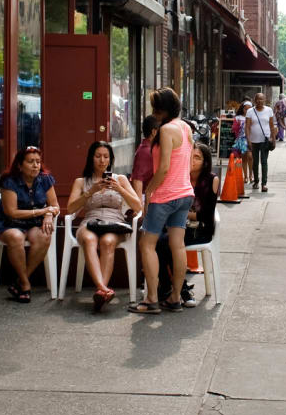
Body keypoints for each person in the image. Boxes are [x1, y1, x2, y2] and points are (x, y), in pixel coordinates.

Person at [132, 88, 194, 314]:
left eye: (155, 108)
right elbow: (186, 164)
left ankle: (151, 299)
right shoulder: (186, 127)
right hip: (185, 193)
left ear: (162, 110)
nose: (153, 113)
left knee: (147, 244)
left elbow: (164, 167)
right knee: (177, 245)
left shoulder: (166, 130)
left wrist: (149, 191)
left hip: (165, 195)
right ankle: (176, 297)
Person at [68, 141, 143, 312]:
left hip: (114, 223)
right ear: (91, 159)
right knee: (88, 239)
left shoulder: (121, 179)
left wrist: (119, 189)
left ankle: (102, 291)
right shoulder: (81, 182)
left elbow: (138, 207)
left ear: (110, 160)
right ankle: (103, 289)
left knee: (108, 242)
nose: (102, 160)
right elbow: (71, 208)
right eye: (98, 156)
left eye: (106, 157)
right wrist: (90, 191)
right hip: (90, 221)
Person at [0, 146, 60, 303]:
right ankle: (26, 284)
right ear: (20, 165)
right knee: (15, 237)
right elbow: (11, 212)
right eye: (30, 162)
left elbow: (55, 205)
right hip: (9, 223)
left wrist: (48, 214)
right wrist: (41, 212)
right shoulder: (9, 181)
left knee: (44, 236)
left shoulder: (45, 179)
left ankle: (21, 281)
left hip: (34, 224)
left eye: (38, 162)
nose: (36, 165)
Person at [156, 143, 219, 306]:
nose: (192, 161)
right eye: (190, 156)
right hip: (177, 226)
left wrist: (181, 211)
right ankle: (168, 287)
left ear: (205, 162)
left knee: (167, 242)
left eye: (197, 158)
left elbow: (206, 214)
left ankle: (178, 290)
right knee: (155, 240)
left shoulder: (212, 180)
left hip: (199, 229)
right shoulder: (180, 178)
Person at [245, 92, 277, 193]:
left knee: (264, 162)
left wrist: (274, 139)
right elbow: (247, 127)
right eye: (258, 99)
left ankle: (264, 183)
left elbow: (272, 126)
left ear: (265, 100)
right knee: (255, 162)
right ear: (255, 100)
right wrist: (248, 139)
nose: (260, 101)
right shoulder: (250, 111)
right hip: (254, 141)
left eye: (262, 99)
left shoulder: (269, 110)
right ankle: (256, 181)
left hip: (265, 140)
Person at [131, 115, 159, 198]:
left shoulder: (151, 149)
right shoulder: (145, 152)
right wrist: (140, 207)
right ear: (154, 132)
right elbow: (137, 180)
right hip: (146, 198)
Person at [232, 101, 251, 185]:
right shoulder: (238, 118)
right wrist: (237, 125)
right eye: (245, 108)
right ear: (242, 109)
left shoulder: (253, 117)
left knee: (250, 157)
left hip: (251, 139)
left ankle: (251, 175)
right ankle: (246, 176)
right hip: (242, 140)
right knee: (244, 158)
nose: (247, 110)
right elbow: (234, 129)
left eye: (249, 109)